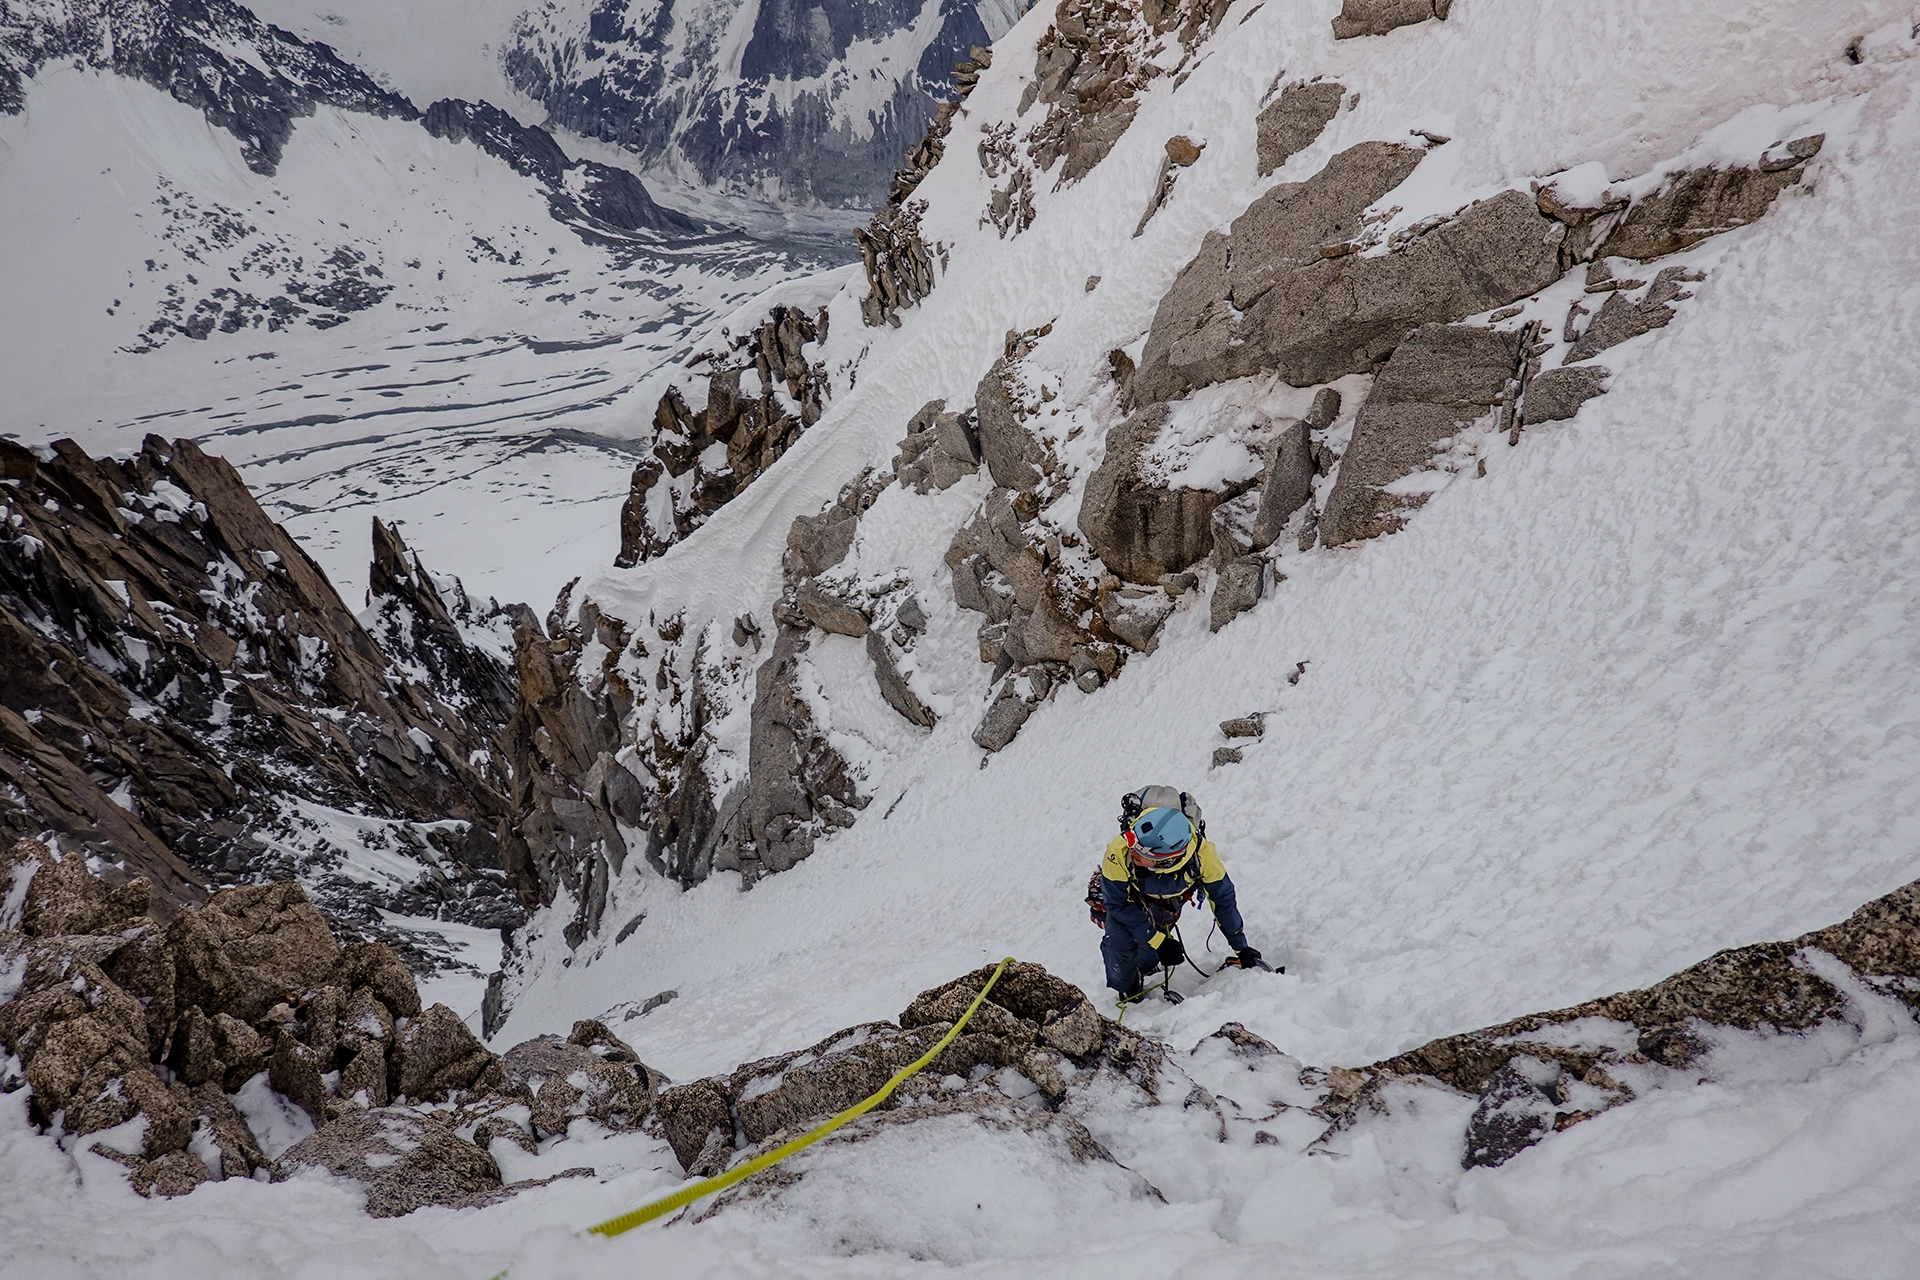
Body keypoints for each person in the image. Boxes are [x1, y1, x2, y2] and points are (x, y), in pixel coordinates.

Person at [1098, 787, 1266, 1000]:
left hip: (1167, 902)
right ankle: (1126, 987)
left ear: (1165, 860)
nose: (1132, 852)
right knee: (1119, 945)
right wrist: (1159, 941)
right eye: (1134, 845)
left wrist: (1241, 948)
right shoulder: (1118, 851)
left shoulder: (1203, 856)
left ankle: (1145, 967)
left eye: (1142, 852)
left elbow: (1223, 900)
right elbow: (1117, 905)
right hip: (1131, 900)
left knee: (1147, 955)